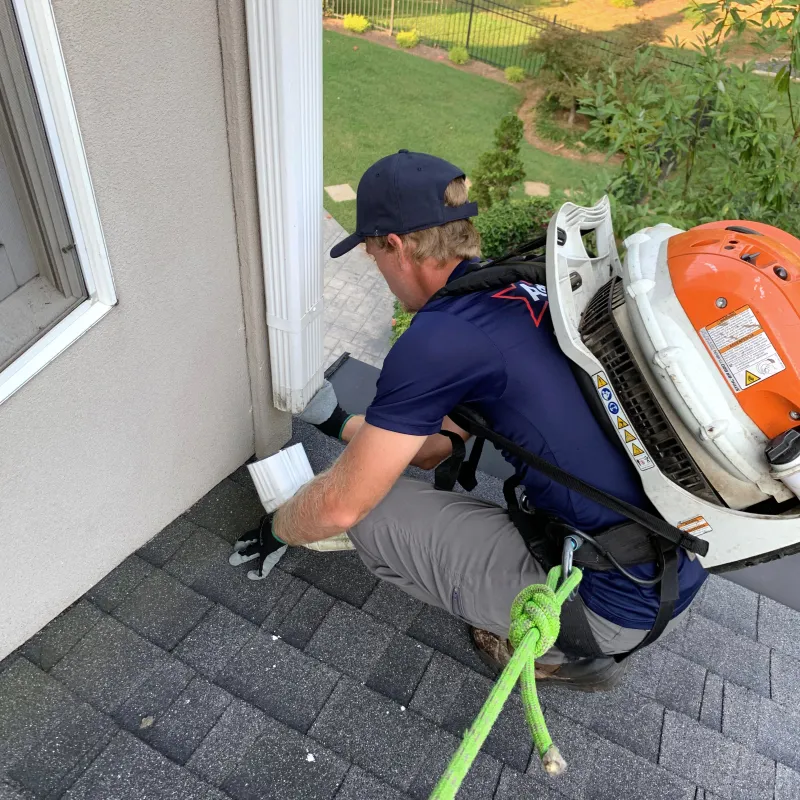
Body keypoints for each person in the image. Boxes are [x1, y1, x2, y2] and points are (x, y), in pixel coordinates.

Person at [238, 150, 708, 690]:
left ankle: (547, 643)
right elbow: (438, 446)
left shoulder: (440, 338)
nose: (380, 272)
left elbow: (345, 505)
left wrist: (279, 528)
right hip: (672, 559)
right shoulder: (513, 288)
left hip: (607, 600)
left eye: (373, 257)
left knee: (370, 516)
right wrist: (340, 422)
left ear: (396, 246)